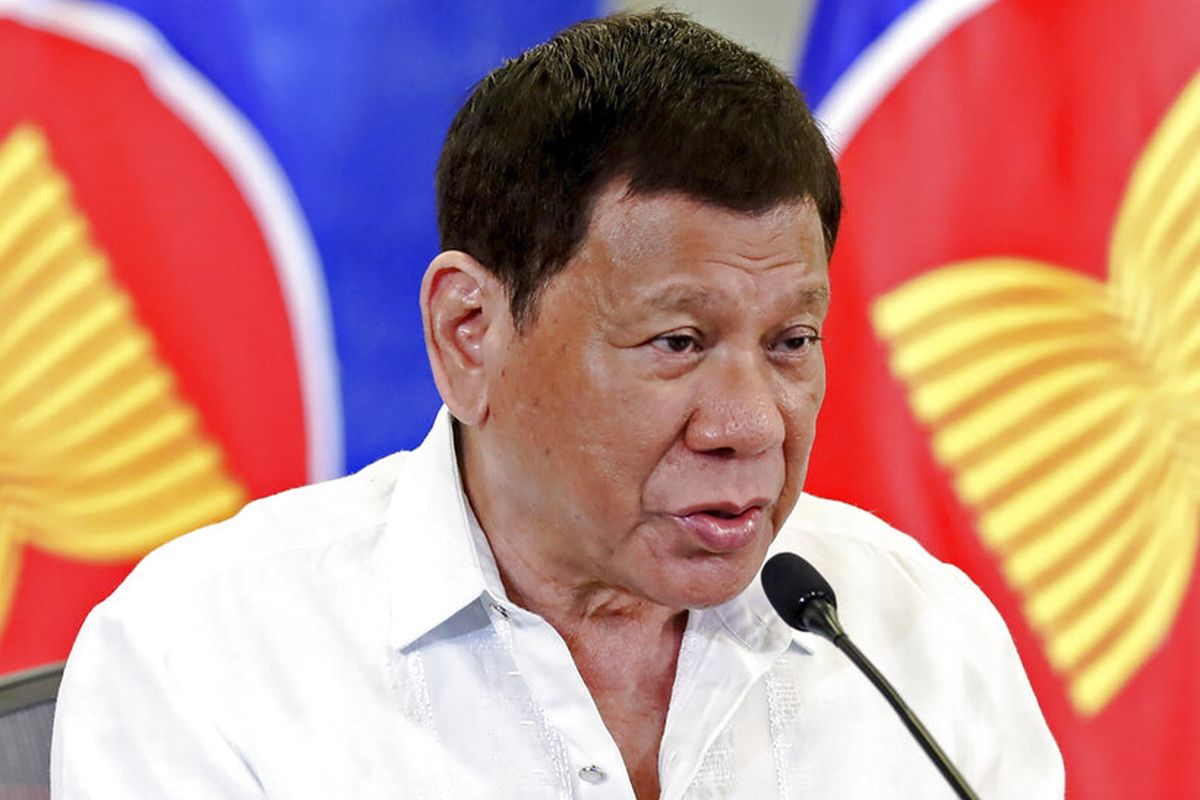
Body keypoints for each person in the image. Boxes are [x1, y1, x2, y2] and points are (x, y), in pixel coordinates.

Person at [51, 11, 1064, 799]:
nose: (752, 423)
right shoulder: (210, 656)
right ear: (470, 333)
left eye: (791, 341)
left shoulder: (919, 641)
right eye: (678, 341)